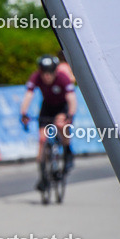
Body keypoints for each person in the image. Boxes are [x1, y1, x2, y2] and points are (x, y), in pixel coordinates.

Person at [20, 55, 77, 189]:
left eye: (50, 73)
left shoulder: (63, 77)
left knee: (60, 124)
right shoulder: (36, 77)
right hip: (47, 107)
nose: (46, 77)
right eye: (44, 73)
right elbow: (29, 94)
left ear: (55, 71)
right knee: (42, 139)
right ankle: (43, 176)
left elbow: (72, 99)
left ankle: (67, 150)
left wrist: (70, 115)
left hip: (62, 107)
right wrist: (23, 113)